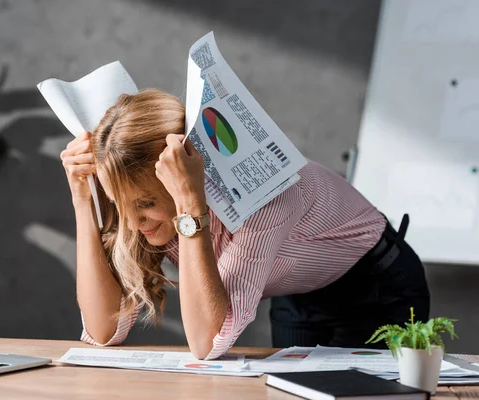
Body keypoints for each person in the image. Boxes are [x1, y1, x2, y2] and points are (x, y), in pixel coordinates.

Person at [60, 88, 430, 360]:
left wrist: (191, 205)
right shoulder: (139, 201)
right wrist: (83, 201)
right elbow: (102, 331)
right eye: (119, 205)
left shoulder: (267, 192)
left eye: (144, 204)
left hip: (375, 283)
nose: (131, 221)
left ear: (179, 177)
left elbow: (206, 341)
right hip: (295, 290)